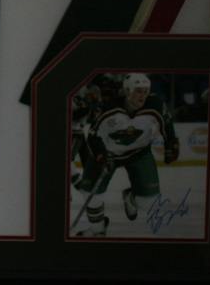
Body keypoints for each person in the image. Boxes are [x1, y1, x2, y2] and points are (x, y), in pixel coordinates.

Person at [70, 72, 179, 237]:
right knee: (89, 194)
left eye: (145, 91)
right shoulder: (109, 108)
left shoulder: (155, 104)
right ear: (127, 91)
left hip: (138, 153)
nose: (142, 95)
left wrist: (172, 143)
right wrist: (101, 155)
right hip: (108, 154)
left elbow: (167, 124)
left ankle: (131, 197)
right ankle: (98, 230)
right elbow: (93, 135)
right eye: (138, 91)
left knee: (148, 203)